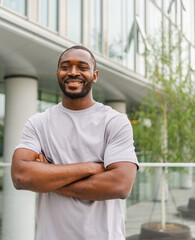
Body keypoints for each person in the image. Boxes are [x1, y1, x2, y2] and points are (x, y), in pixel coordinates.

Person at [11, 45, 139, 240]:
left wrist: (48, 178)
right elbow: (20, 176)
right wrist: (91, 168)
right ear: (58, 73)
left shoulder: (114, 121)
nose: (73, 72)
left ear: (94, 75)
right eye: (65, 66)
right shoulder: (39, 123)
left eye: (82, 67)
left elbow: (120, 185)